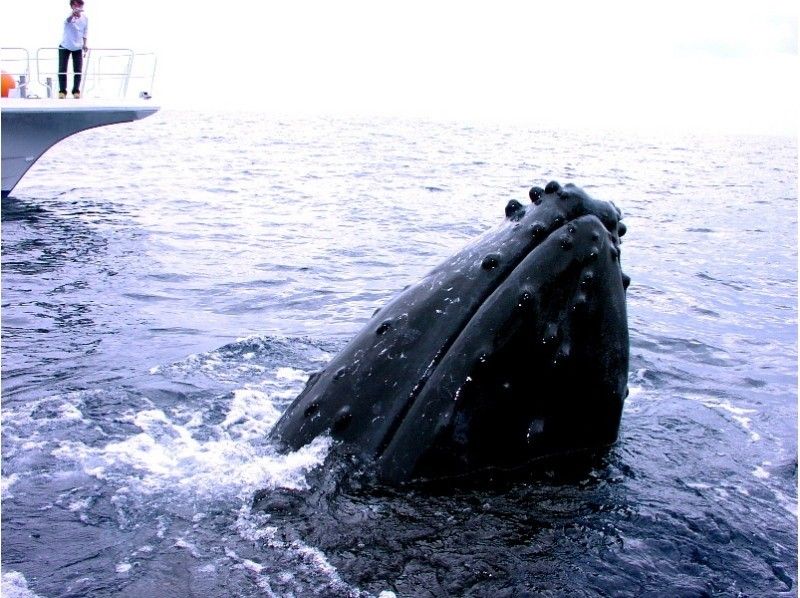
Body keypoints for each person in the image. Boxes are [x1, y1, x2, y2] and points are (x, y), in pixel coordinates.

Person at [58, 0, 88, 99]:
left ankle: (76, 91)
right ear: (71, 5)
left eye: (80, 4)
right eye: (75, 4)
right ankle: (62, 91)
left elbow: (85, 32)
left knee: (78, 70)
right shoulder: (67, 15)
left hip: (78, 47)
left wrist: (85, 44)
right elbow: (67, 20)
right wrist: (73, 15)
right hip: (65, 46)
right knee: (62, 69)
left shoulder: (85, 18)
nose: (78, 6)